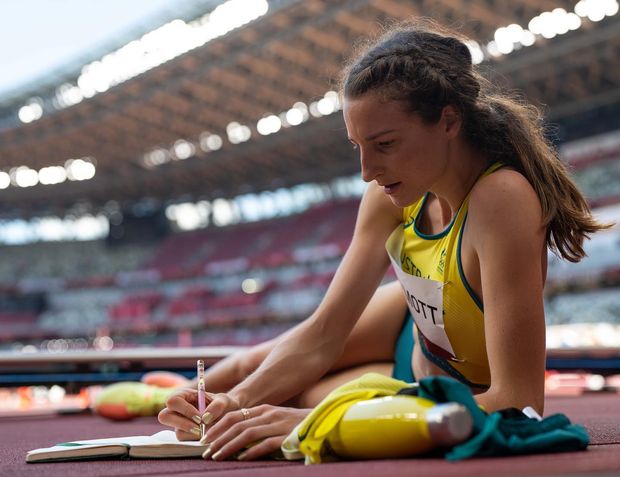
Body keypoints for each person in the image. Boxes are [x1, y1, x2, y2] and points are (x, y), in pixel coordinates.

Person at [158, 19, 610, 461]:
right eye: (358, 146)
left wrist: (310, 421)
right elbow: (322, 334)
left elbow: (518, 402)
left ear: (449, 121)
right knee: (242, 374)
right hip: (404, 327)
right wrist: (226, 406)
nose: (367, 171)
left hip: (423, 388)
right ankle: (162, 403)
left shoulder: (502, 199)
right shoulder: (389, 196)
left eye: (385, 144)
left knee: (299, 400)